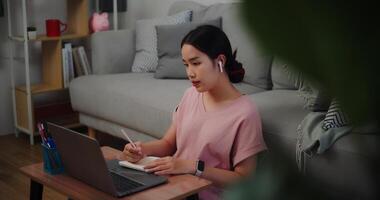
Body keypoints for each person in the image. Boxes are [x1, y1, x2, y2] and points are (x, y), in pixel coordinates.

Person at [120, 25, 267, 199]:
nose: (190, 73)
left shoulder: (245, 112)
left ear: (220, 61)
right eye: (186, 64)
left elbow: (244, 180)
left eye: (196, 63)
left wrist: (193, 167)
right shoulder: (190, 95)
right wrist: (141, 149)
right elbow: (168, 143)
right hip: (172, 187)